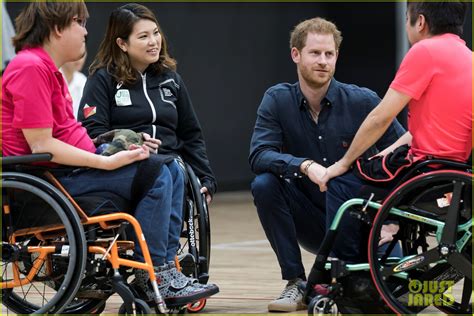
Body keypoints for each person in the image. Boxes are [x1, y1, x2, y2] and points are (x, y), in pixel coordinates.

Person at [1, 1, 218, 307]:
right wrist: (105, 160)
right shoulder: (30, 68)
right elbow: (42, 145)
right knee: (158, 170)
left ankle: (163, 271)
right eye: (80, 23)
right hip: (51, 181)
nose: (86, 32)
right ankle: (156, 272)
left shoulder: (47, 69)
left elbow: (68, 135)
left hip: (66, 174)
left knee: (168, 167)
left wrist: (116, 142)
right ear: (58, 28)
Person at [248, 17, 405, 312]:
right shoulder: (277, 100)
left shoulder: (363, 101)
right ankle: (295, 281)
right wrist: (305, 165)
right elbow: (259, 155)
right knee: (264, 184)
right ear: (296, 54)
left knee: (399, 287)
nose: (323, 61)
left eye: (329, 54)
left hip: (361, 223)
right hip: (312, 218)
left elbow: (401, 154)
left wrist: (393, 222)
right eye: (315, 53)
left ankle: (351, 270)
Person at [316, 1, 472, 263]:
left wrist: (343, 163)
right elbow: (418, 133)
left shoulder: (425, 51)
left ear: (419, 22)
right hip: (453, 176)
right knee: (370, 170)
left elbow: (380, 118)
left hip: (425, 174)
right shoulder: (469, 58)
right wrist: (379, 155)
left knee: (341, 185)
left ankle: (351, 272)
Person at [78, 3, 216, 205]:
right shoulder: (102, 79)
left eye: (156, 33)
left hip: (172, 163)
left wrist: (206, 177)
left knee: (172, 169)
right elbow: (93, 133)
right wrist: (132, 142)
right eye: (143, 37)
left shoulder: (171, 80)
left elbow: (191, 135)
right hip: (127, 165)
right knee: (163, 171)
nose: (154, 42)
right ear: (122, 43)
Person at [61, 53, 87, 119]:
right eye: (77, 54)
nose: (79, 60)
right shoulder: (53, 76)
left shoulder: (83, 80)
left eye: (82, 55)